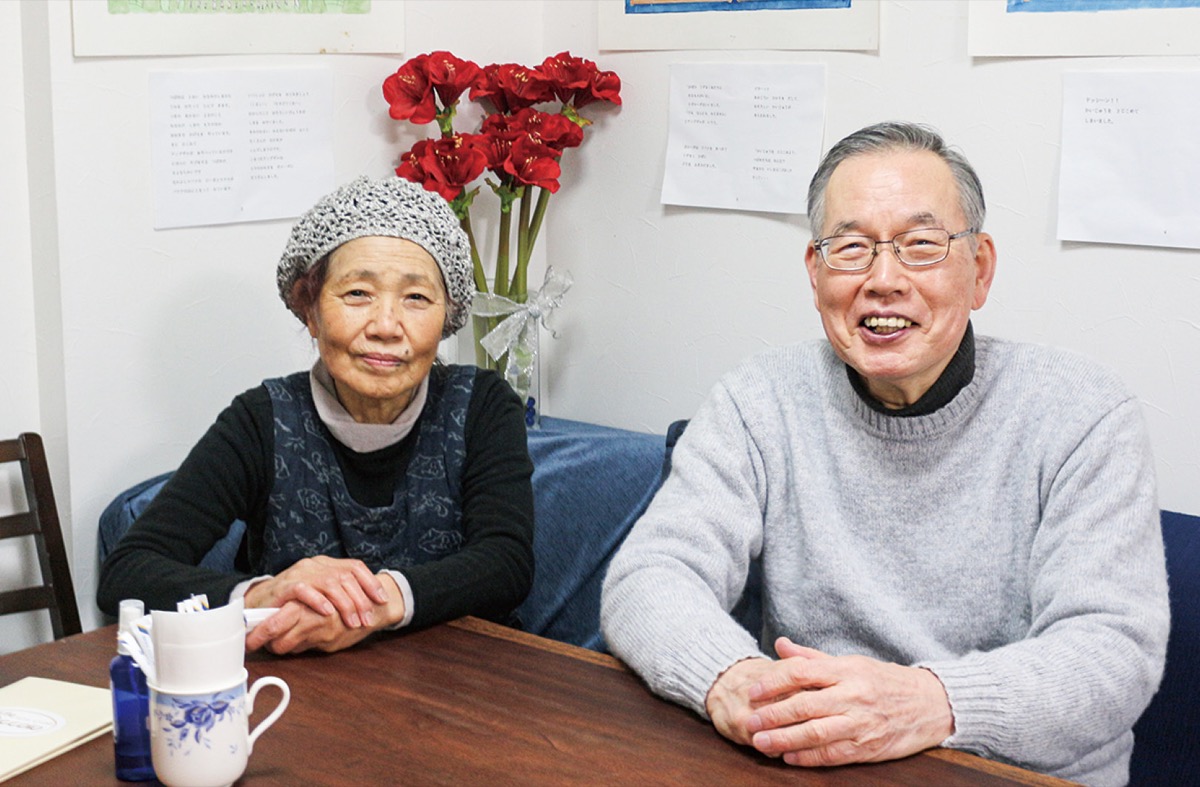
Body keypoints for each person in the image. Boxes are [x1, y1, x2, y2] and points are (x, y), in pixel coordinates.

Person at [600, 122, 1168, 786]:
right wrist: (733, 677)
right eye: (850, 248)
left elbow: (1112, 654)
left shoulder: (1084, 415)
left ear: (979, 269)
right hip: (814, 761)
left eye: (922, 245)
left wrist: (929, 701)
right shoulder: (760, 400)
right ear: (815, 274)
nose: (883, 279)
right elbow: (650, 575)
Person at [99, 176, 535, 655]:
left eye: (416, 298)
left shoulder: (482, 406)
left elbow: (506, 562)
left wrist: (374, 604)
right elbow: (128, 571)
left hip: (467, 688)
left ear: (446, 315)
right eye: (357, 294)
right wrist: (258, 595)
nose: (386, 327)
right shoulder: (262, 420)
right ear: (310, 310)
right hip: (303, 694)